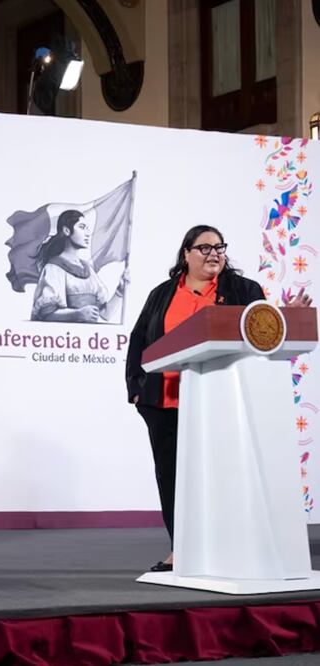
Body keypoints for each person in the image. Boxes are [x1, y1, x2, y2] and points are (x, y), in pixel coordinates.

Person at [125, 224, 312, 572]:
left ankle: (230, 548)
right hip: (165, 402)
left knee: (222, 477)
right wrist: (136, 387)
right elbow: (139, 339)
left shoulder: (243, 290)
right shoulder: (162, 294)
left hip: (220, 404)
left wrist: (287, 317)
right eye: (205, 248)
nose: (214, 254)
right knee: (172, 477)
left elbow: (262, 333)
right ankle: (180, 549)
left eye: (219, 247)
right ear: (186, 254)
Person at [32, 209, 127, 323]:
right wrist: (77, 314)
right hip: (66, 338)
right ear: (67, 230)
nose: (87, 233)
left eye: (87, 228)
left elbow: (105, 314)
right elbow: (47, 314)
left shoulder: (88, 270)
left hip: (91, 338)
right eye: (82, 227)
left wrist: (120, 292)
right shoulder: (54, 268)